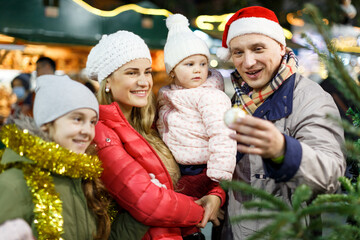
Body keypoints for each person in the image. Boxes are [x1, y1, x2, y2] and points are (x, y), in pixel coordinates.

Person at [214, 6, 346, 239]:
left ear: (281, 47)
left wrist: (284, 151)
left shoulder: (310, 98)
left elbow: (331, 175)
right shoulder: (237, 97)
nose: (248, 62)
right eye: (238, 53)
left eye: (258, 49)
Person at [86, 30, 226, 240]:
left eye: (147, 72)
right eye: (132, 73)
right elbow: (148, 201)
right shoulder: (101, 132)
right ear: (107, 81)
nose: (144, 81)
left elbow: (198, 167)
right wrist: (202, 210)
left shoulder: (154, 122)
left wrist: (216, 195)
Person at [0, 75, 112, 239]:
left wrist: (141, 213)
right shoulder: (15, 184)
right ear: (46, 124)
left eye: (92, 122)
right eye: (77, 119)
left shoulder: (85, 181)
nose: (88, 131)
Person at [157, 14, 237, 198]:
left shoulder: (210, 96)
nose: (198, 69)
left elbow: (223, 133)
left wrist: (219, 173)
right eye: (189, 64)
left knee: (177, 205)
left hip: (201, 168)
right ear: (172, 71)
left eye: (203, 63)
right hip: (178, 163)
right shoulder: (169, 94)